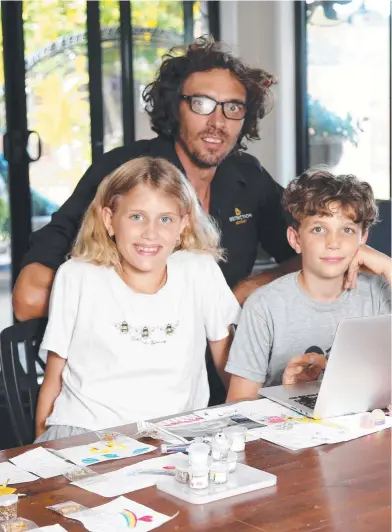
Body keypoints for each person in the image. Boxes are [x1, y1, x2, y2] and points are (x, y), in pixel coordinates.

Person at [14, 36, 299, 405]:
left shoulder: (248, 176)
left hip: (212, 386)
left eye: (233, 107)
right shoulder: (124, 173)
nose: (217, 122)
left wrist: (246, 288)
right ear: (174, 107)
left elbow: (307, 249)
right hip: (119, 396)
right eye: (201, 103)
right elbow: (29, 298)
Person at [35, 157, 240, 442]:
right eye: (136, 217)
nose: (150, 233)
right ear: (109, 220)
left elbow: (231, 366)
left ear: (183, 224)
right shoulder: (76, 275)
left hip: (176, 434)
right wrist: (41, 452)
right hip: (84, 432)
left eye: (165, 219)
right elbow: (53, 378)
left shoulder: (199, 270)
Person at [225, 168, 392, 402]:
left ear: (362, 239)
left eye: (347, 230)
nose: (333, 242)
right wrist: (289, 394)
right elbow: (237, 404)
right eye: (318, 229)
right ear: (296, 239)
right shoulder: (263, 306)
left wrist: (388, 266)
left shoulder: (380, 292)